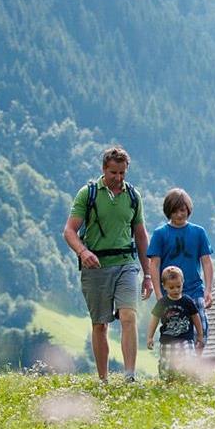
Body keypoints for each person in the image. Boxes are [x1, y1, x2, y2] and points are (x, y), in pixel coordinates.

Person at [62, 146, 155, 382]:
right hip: (96, 266)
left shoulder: (133, 196)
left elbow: (141, 235)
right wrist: (83, 252)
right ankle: (103, 378)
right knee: (100, 324)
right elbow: (69, 231)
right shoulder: (88, 193)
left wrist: (147, 275)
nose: (118, 178)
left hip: (126, 263)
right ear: (104, 169)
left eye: (122, 173)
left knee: (128, 316)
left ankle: (129, 376)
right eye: (114, 173)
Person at [146, 188, 215, 340]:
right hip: (171, 293)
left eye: (183, 210)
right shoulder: (160, 234)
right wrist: (159, 294)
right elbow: (154, 265)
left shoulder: (199, 232)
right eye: (175, 211)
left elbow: (207, 262)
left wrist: (208, 290)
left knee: (201, 331)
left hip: (195, 290)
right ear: (168, 211)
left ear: (188, 209)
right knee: (174, 333)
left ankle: (195, 363)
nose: (179, 215)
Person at [145, 266, 205, 380]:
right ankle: (167, 379)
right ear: (164, 286)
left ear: (183, 282)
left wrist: (200, 335)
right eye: (171, 287)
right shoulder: (162, 303)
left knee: (189, 358)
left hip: (185, 339)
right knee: (168, 367)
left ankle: (191, 378)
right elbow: (154, 319)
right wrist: (150, 337)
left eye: (178, 286)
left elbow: (196, 317)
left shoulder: (187, 301)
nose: (176, 290)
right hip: (167, 341)